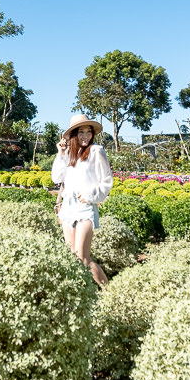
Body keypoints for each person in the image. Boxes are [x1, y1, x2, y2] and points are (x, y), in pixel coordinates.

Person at [52, 114, 111, 287]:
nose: (85, 136)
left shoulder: (96, 151)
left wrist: (90, 195)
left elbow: (106, 181)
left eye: (88, 132)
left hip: (85, 208)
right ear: (73, 135)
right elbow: (57, 177)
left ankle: (110, 294)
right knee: (72, 257)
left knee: (83, 258)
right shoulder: (69, 154)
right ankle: (85, 295)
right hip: (68, 209)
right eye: (81, 132)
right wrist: (61, 153)